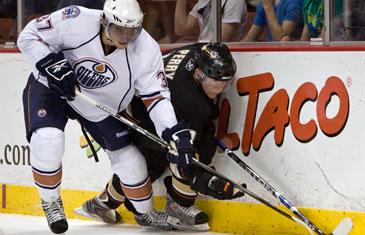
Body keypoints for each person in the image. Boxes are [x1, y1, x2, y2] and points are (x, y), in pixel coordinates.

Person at [17, 0, 195, 233]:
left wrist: (173, 131)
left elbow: (156, 97)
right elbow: (28, 35)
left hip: (99, 104)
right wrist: (50, 63)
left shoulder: (146, 49)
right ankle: (51, 201)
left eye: (132, 30)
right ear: (104, 20)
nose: (125, 37)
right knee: (48, 141)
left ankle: (145, 213)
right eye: (118, 29)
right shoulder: (75, 19)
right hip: (52, 88)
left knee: (132, 164)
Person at [75, 42, 245, 231]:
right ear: (199, 74)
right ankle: (178, 205)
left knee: (195, 145)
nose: (223, 88)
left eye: (227, 82)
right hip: (140, 114)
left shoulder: (202, 51)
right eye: (218, 82)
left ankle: (102, 204)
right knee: (177, 155)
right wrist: (211, 184)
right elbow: (185, 159)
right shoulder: (190, 102)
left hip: (147, 100)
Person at [174, 0, 247, 42]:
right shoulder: (204, 1)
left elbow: (220, 39)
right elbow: (181, 30)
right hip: (203, 52)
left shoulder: (234, 1)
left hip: (224, 55)